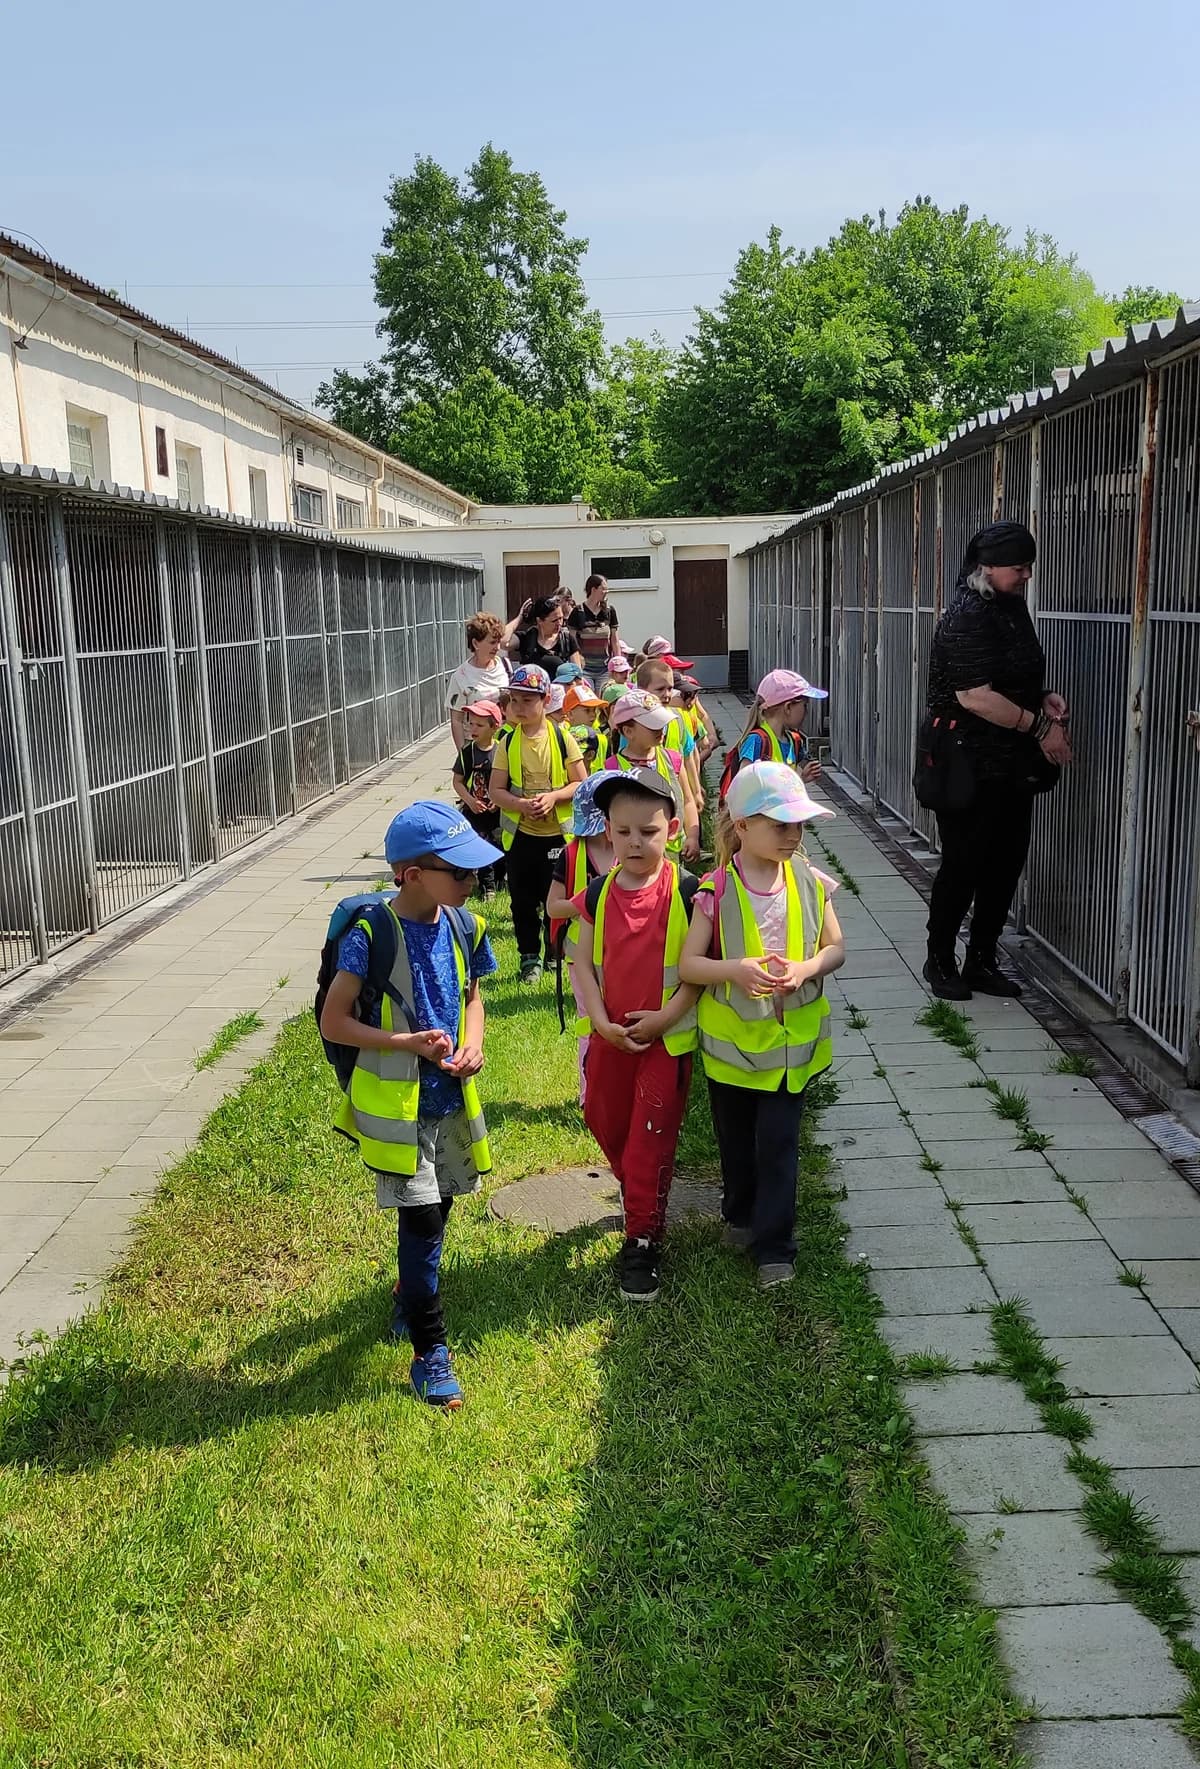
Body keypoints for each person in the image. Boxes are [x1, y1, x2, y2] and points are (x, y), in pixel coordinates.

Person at [321, 802, 500, 1409]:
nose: (472, 882)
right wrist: (403, 1043)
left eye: (474, 872)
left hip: (449, 1097)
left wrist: (472, 1043)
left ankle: (407, 1295)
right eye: (461, 871)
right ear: (412, 874)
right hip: (397, 1108)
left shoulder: (464, 927)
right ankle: (430, 1353)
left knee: (441, 1207)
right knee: (421, 1224)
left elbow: (473, 998)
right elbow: (335, 1021)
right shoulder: (370, 934)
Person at [679, 762, 846, 1289]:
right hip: (734, 1054)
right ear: (743, 826)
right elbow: (689, 966)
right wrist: (735, 969)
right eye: (780, 825)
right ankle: (740, 1212)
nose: (792, 835)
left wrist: (808, 968)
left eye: (798, 825)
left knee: (777, 1145)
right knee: (735, 1141)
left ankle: (775, 1247)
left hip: (790, 1051)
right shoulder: (716, 890)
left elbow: (835, 948)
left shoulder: (811, 881)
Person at [923, 521, 1072, 1001]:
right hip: (966, 760)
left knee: (1006, 862)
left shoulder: (1008, 606)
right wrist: (1043, 727)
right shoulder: (968, 614)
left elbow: (1012, 673)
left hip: (1010, 762)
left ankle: (982, 960)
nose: (1026, 575)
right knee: (963, 864)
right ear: (986, 568)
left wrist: (1041, 695)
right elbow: (975, 697)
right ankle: (940, 959)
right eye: (1018, 568)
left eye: (1029, 566)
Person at [573, 768, 702, 1302]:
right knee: (605, 1121)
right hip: (610, 1038)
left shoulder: (689, 891)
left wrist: (663, 1019)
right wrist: (602, 1022)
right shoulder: (599, 894)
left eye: (647, 831)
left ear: (670, 830)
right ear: (607, 831)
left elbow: (697, 973)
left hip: (664, 1041)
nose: (634, 842)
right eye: (623, 831)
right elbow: (581, 961)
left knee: (650, 1133)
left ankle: (642, 1238)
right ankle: (640, 1193)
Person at [489, 663, 587, 983]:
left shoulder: (562, 738)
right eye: (514, 701)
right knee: (522, 901)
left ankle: (554, 954)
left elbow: (581, 785)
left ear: (546, 700)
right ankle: (528, 957)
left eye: (528, 700)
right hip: (521, 837)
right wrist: (519, 804)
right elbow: (496, 790)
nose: (519, 708)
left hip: (558, 836)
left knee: (554, 901)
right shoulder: (507, 742)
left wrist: (554, 797)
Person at [545, 773, 617, 1103]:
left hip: (625, 952)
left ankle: (618, 1085)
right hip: (582, 955)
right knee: (590, 1021)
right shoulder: (573, 855)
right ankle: (590, 1093)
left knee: (619, 1016)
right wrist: (585, 899)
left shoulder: (633, 849)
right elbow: (553, 907)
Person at [605, 690, 701, 863]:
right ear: (628, 731)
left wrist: (693, 836)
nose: (661, 729)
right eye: (653, 726)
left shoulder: (673, 759)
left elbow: (687, 800)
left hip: (672, 853)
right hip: (634, 855)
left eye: (661, 723)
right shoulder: (612, 767)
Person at [731, 670, 826, 785]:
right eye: (804, 705)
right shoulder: (756, 741)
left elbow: (786, 788)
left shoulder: (793, 741)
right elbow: (741, 786)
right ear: (788, 707)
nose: (807, 712)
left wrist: (801, 779)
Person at [451, 701, 505, 897]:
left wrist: (499, 800)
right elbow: (457, 781)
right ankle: (487, 888)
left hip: (497, 810)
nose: (473, 728)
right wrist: (469, 800)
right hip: (474, 811)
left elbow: (508, 780)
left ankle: (500, 880)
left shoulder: (501, 750)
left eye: (479, 725)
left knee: (499, 845)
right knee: (481, 846)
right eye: (471, 723)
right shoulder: (467, 752)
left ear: (494, 727)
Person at [636, 657, 704, 811]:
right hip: (646, 796)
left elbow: (688, 757)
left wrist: (697, 791)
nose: (666, 694)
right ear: (642, 690)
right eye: (660, 689)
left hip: (676, 791)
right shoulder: (634, 723)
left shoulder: (678, 717)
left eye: (670, 688)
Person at [445, 612, 511, 753]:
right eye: (492, 642)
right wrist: (463, 755)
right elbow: (456, 720)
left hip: (504, 741)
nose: (498, 647)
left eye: (498, 642)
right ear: (475, 643)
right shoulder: (461, 676)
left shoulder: (505, 666)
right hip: (476, 746)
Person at [567, 573, 621, 685]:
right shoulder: (578, 612)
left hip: (605, 669)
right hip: (584, 669)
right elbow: (571, 642)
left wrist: (619, 664)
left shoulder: (610, 611)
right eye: (603, 589)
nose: (606, 592)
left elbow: (614, 641)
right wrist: (577, 669)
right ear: (593, 589)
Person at [515, 593, 583, 676]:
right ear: (539, 621)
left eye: (561, 618)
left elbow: (578, 674)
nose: (559, 623)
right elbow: (503, 641)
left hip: (559, 687)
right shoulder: (527, 638)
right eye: (554, 621)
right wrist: (520, 617)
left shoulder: (566, 640)